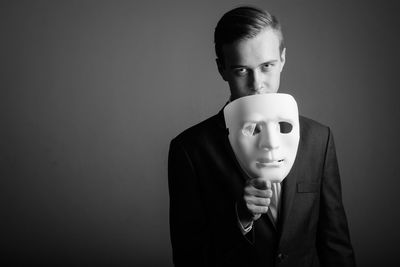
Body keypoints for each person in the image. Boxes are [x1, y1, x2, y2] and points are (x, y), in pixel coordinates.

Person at [168, 6, 356, 267]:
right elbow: (189, 257)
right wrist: (240, 218)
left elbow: (335, 244)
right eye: (242, 70)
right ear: (222, 69)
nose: (257, 84)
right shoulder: (190, 150)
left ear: (283, 59)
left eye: (267, 66)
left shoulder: (318, 140)